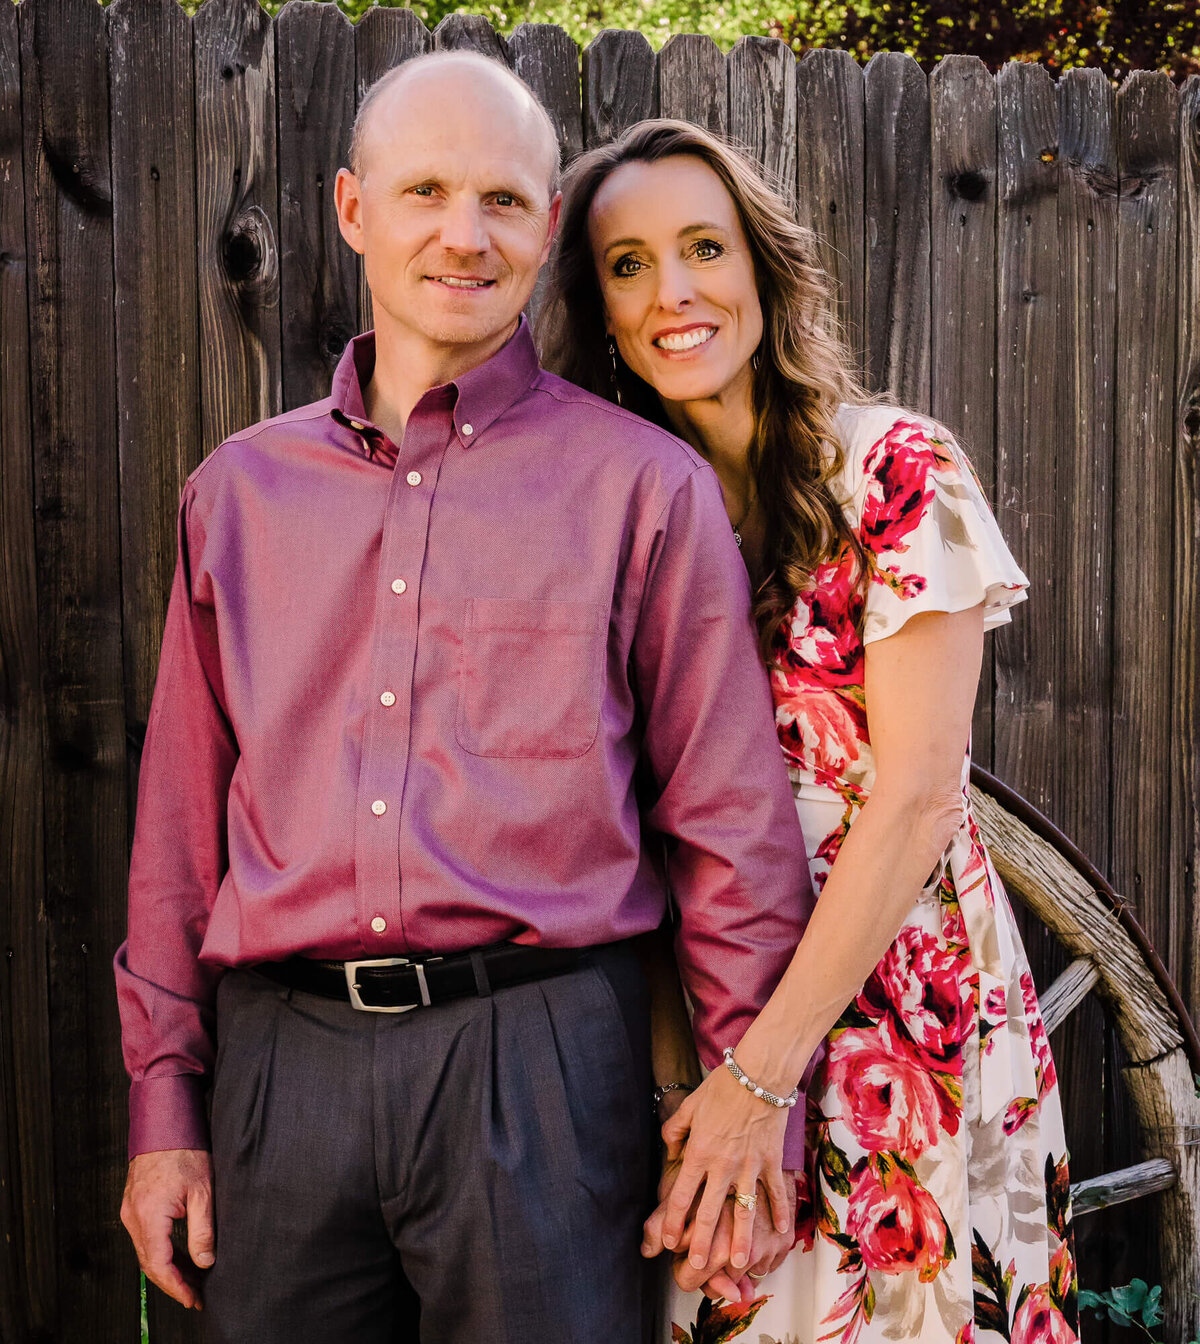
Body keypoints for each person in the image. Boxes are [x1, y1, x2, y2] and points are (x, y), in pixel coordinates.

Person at [113, 60, 816, 1343]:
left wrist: (755, 1108)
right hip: (284, 1074)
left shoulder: (643, 492)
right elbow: (176, 836)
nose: (463, 232)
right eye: (425, 189)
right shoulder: (236, 498)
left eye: (502, 198)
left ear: (547, 229)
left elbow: (729, 822)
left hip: (541, 1078)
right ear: (351, 209)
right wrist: (166, 1110)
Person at [540, 118, 1078, 1343]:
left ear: (761, 270)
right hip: (716, 1019)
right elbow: (636, 842)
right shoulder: (620, 530)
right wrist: (698, 1079)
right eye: (628, 266)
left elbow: (916, 803)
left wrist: (757, 1079)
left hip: (904, 1014)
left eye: (702, 248)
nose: (673, 292)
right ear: (601, 310)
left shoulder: (891, 471)